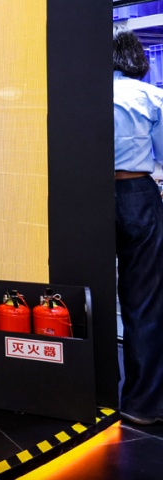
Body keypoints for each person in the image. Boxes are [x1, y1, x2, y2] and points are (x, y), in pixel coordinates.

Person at [113, 30, 163, 426]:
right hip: (137, 193)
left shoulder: (81, 95)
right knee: (144, 299)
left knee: (83, 291)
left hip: (82, 196)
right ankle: (141, 405)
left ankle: (86, 396)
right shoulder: (151, 97)